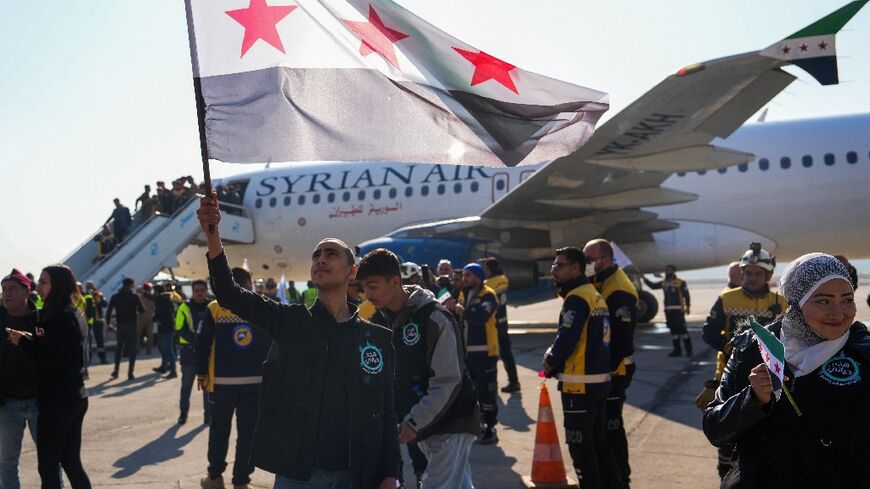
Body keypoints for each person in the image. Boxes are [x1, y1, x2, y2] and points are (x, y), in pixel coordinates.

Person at [196, 193, 400, 489]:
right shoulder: (290, 322)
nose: (321, 259)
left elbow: (386, 411)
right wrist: (213, 234)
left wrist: (391, 472)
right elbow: (228, 293)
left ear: (351, 271)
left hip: (357, 474)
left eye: (331, 254)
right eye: (316, 255)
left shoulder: (376, 339)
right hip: (298, 474)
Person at [703, 253, 870, 487]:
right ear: (797, 302)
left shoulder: (863, 353)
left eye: (847, 300)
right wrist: (754, 398)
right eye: (823, 301)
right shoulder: (753, 347)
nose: (839, 313)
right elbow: (715, 428)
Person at [358, 249, 479, 489]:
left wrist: (414, 422)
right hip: (425, 425)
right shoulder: (381, 321)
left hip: (451, 423)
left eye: (373, 286)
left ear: (395, 281)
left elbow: (447, 380)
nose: (367, 295)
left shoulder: (434, 317)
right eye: (364, 288)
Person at [699, 243, 787, 479]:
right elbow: (708, 332)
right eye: (748, 272)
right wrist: (732, 347)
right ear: (741, 273)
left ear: (768, 275)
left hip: (771, 381)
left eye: (758, 273)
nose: (752, 278)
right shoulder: (727, 298)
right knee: (727, 443)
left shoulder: (781, 302)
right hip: (731, 376)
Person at [542, 247, 624, 489]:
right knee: (599, 446)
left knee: (581, 449)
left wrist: (551, 360)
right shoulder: (593, 294)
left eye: (559, 265)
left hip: (580, 386)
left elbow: (567, 338)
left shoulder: (577, 297)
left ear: (575, 268)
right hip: (598, 383)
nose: (553, 270)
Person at [5, 265, 91, 489]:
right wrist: (32, 339)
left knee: (49, 465)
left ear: (58, 285)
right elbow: (57, 350)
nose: (39, 287)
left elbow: (49, 362)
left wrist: (22, 342)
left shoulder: (56, 317)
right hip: (75, 396)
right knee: (71, 461)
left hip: (57, 402)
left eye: (44, 282)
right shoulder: (73, 313)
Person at [196, 269, 270, 489]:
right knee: (248, 436)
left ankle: (215, 478)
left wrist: (201, 374)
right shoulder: (262, 308)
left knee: (219, 432)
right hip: (256, 384)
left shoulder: (214, 308)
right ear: (248, 284)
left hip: (221, 385)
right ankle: (241, 482)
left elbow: (201, 344)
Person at [583, 239, 636, 487]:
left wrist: (603, 372)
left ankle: (621, 478)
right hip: (602, 370)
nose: (586, 265)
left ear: (605, 259)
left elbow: (621, 340)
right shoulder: (599, 280)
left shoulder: (619, 290)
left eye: (589, 260)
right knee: (601, 429)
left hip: (616, 369)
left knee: (612, 427)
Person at [0, 269, 41, 489]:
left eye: (12, 288)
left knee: (50, 459)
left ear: (27, 291)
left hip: (39, 402)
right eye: (3, 289)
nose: (6, 293)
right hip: (7, 404)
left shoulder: (42, 321)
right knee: (7, 461)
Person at [451, 263, 500, 444]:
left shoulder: (488, 295)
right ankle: (478, 423)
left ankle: (491, 427)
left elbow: (479, 317)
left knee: (487, 391)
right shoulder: (465, 294)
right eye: (464, 275)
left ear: (479, 277)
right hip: (468, 353)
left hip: (485, 352)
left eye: (469, 275)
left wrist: (458, 308)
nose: (465, 279)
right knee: (474, 392)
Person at [481, 258, 520, 394]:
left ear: (490, 270)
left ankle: (493, 385)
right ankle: (514, 381)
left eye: (485, 268)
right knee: (507, 353)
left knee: (492, 354)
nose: (483, 271)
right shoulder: (503, 279)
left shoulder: (488, 284)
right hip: (503, 322)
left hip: (493, 325)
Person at [175, 280, 211, 425]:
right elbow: (179, 328)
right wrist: (196, 340)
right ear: (192, 291)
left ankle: (208, 416)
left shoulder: (212, 306)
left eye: (202, 290)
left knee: (207, 387)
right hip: (189, 353)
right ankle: (183, 414)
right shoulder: (184, 306)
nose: (199, 293)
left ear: (206, 290)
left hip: (207, 353)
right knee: (187, 386)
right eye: (197, 290)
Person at [644, 265, 692, 357]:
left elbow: (686, 295)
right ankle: (677, 351)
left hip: (678, 310)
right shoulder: (664, 283)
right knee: (673, 331)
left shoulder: (680, 283)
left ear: (673, 271)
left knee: (683, 331)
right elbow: (653, 286)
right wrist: (644, 279)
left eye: (668, 270)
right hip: (668, 311)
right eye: (666, 270)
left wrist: (688, 306)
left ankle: (689, 351)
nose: (666, 272)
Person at [106, 278, 145, 380]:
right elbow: (142, 310)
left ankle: (116, 371)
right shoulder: (134, 296)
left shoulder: (116, 296)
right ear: (131, 285)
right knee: (132, 350)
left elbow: (109, 312)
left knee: (119, 349)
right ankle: (130, 373)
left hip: (120, 325)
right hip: (132, 325)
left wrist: (108, 323)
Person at [145, 284, 178, 378]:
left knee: (168, 349)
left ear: (157, 291)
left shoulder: (161, 300)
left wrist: (155, 318)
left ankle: (173, 370)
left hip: (165, 328)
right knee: (163, 347)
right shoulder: (167, 298)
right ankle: (164, 366)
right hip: (169, 327)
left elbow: (161, 313)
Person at [83, 282, 107, 365]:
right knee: (87, 341)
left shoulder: (98, 294)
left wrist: (98, 298)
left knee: (100, 340)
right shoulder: (84, 295)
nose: (90, 288)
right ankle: (88, 359)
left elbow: (105, 304)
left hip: (98, 321)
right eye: (88, 286)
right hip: (88, 321)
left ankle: (103, 358)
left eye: (91, 286)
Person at [136, 283, 155, 355]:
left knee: (138, 334)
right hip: (150, 317)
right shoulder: (151, 297)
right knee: (150, 334)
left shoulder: (139, 297)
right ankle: (149, 349)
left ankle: (137, 349)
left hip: (140, 317)